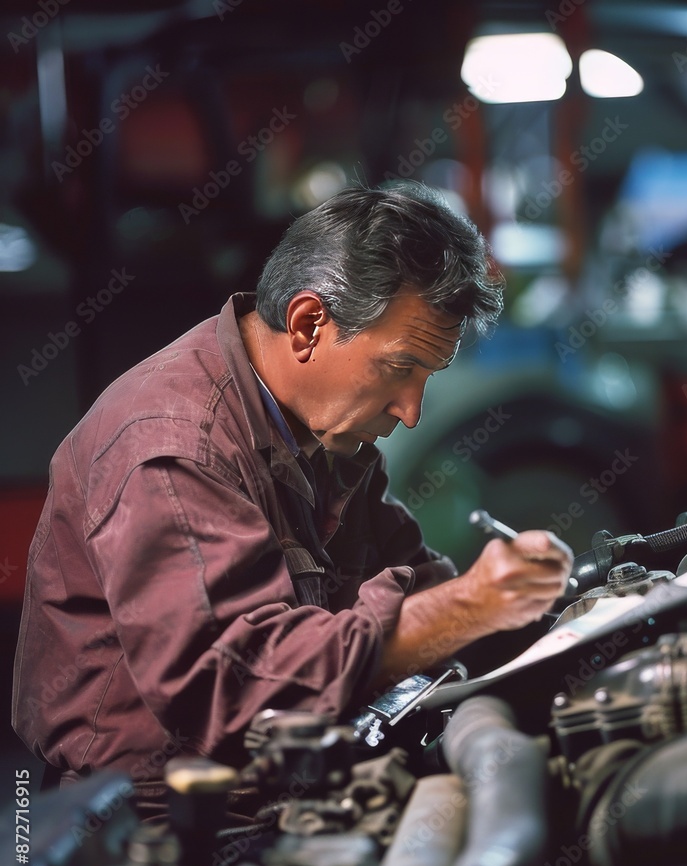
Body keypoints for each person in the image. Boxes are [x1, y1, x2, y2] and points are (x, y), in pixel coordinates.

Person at [13, 183, 573, 785]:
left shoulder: (321, 434)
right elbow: (234, 690)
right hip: (158, 825)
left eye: (427, 376)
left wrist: (546, 612)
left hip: (283, 784)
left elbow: (416, 582)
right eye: (400, 368)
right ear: (308, 325)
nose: (411, 411)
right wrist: (466, 607)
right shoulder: (175, 448)